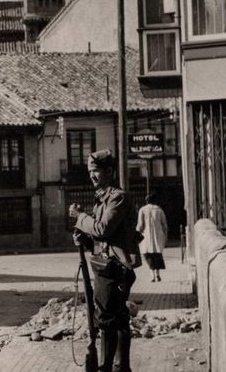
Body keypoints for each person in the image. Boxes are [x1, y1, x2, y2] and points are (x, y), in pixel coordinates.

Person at [69, 150, 140, 372]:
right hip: (106, 267)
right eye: (90, 171)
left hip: (116, 269)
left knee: (109, 319)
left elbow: (102, 229)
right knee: (116, 318)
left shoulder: (118, 197)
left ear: (109, 171)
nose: (92, 176)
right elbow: (102, 240)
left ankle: (108, 367)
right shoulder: (102, 199)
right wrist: (84, 239)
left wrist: (80, 218)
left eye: (96, 171)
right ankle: (119, 367)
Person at [137, 191, 168, 283]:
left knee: (148, 256)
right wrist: (165, 236)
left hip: (146, 236)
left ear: (146, 201)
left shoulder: (142, 210)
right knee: (157, 255)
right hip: (158, 235)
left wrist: (137, 233)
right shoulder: (159, 210)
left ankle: (152, 276)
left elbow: (140, 225)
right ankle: (157, 274)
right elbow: (164, 225)